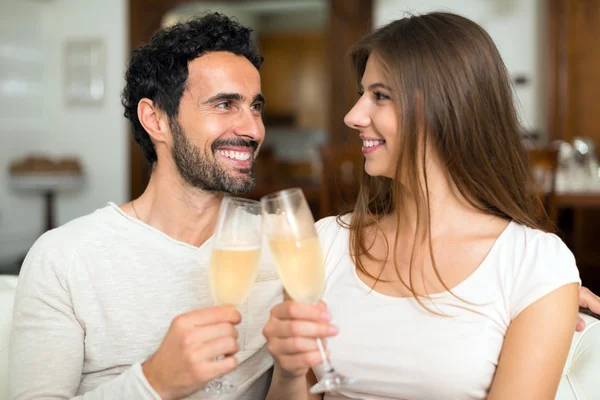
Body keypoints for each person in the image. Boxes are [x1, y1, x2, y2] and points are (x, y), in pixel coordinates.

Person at [262, 12, 597, 400]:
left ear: (447, 108)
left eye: (380, 96)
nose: (352, 116)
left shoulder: (534, 262)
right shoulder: (325, 243)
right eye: (361, 93)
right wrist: (288, 372)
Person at [9, 13, 283, 399]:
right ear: (155, 119)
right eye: (225, 104)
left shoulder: (281, 243)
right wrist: (154, 381)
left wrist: (294, 368)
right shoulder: (64, 259)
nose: (253, 129)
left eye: (255, 107)